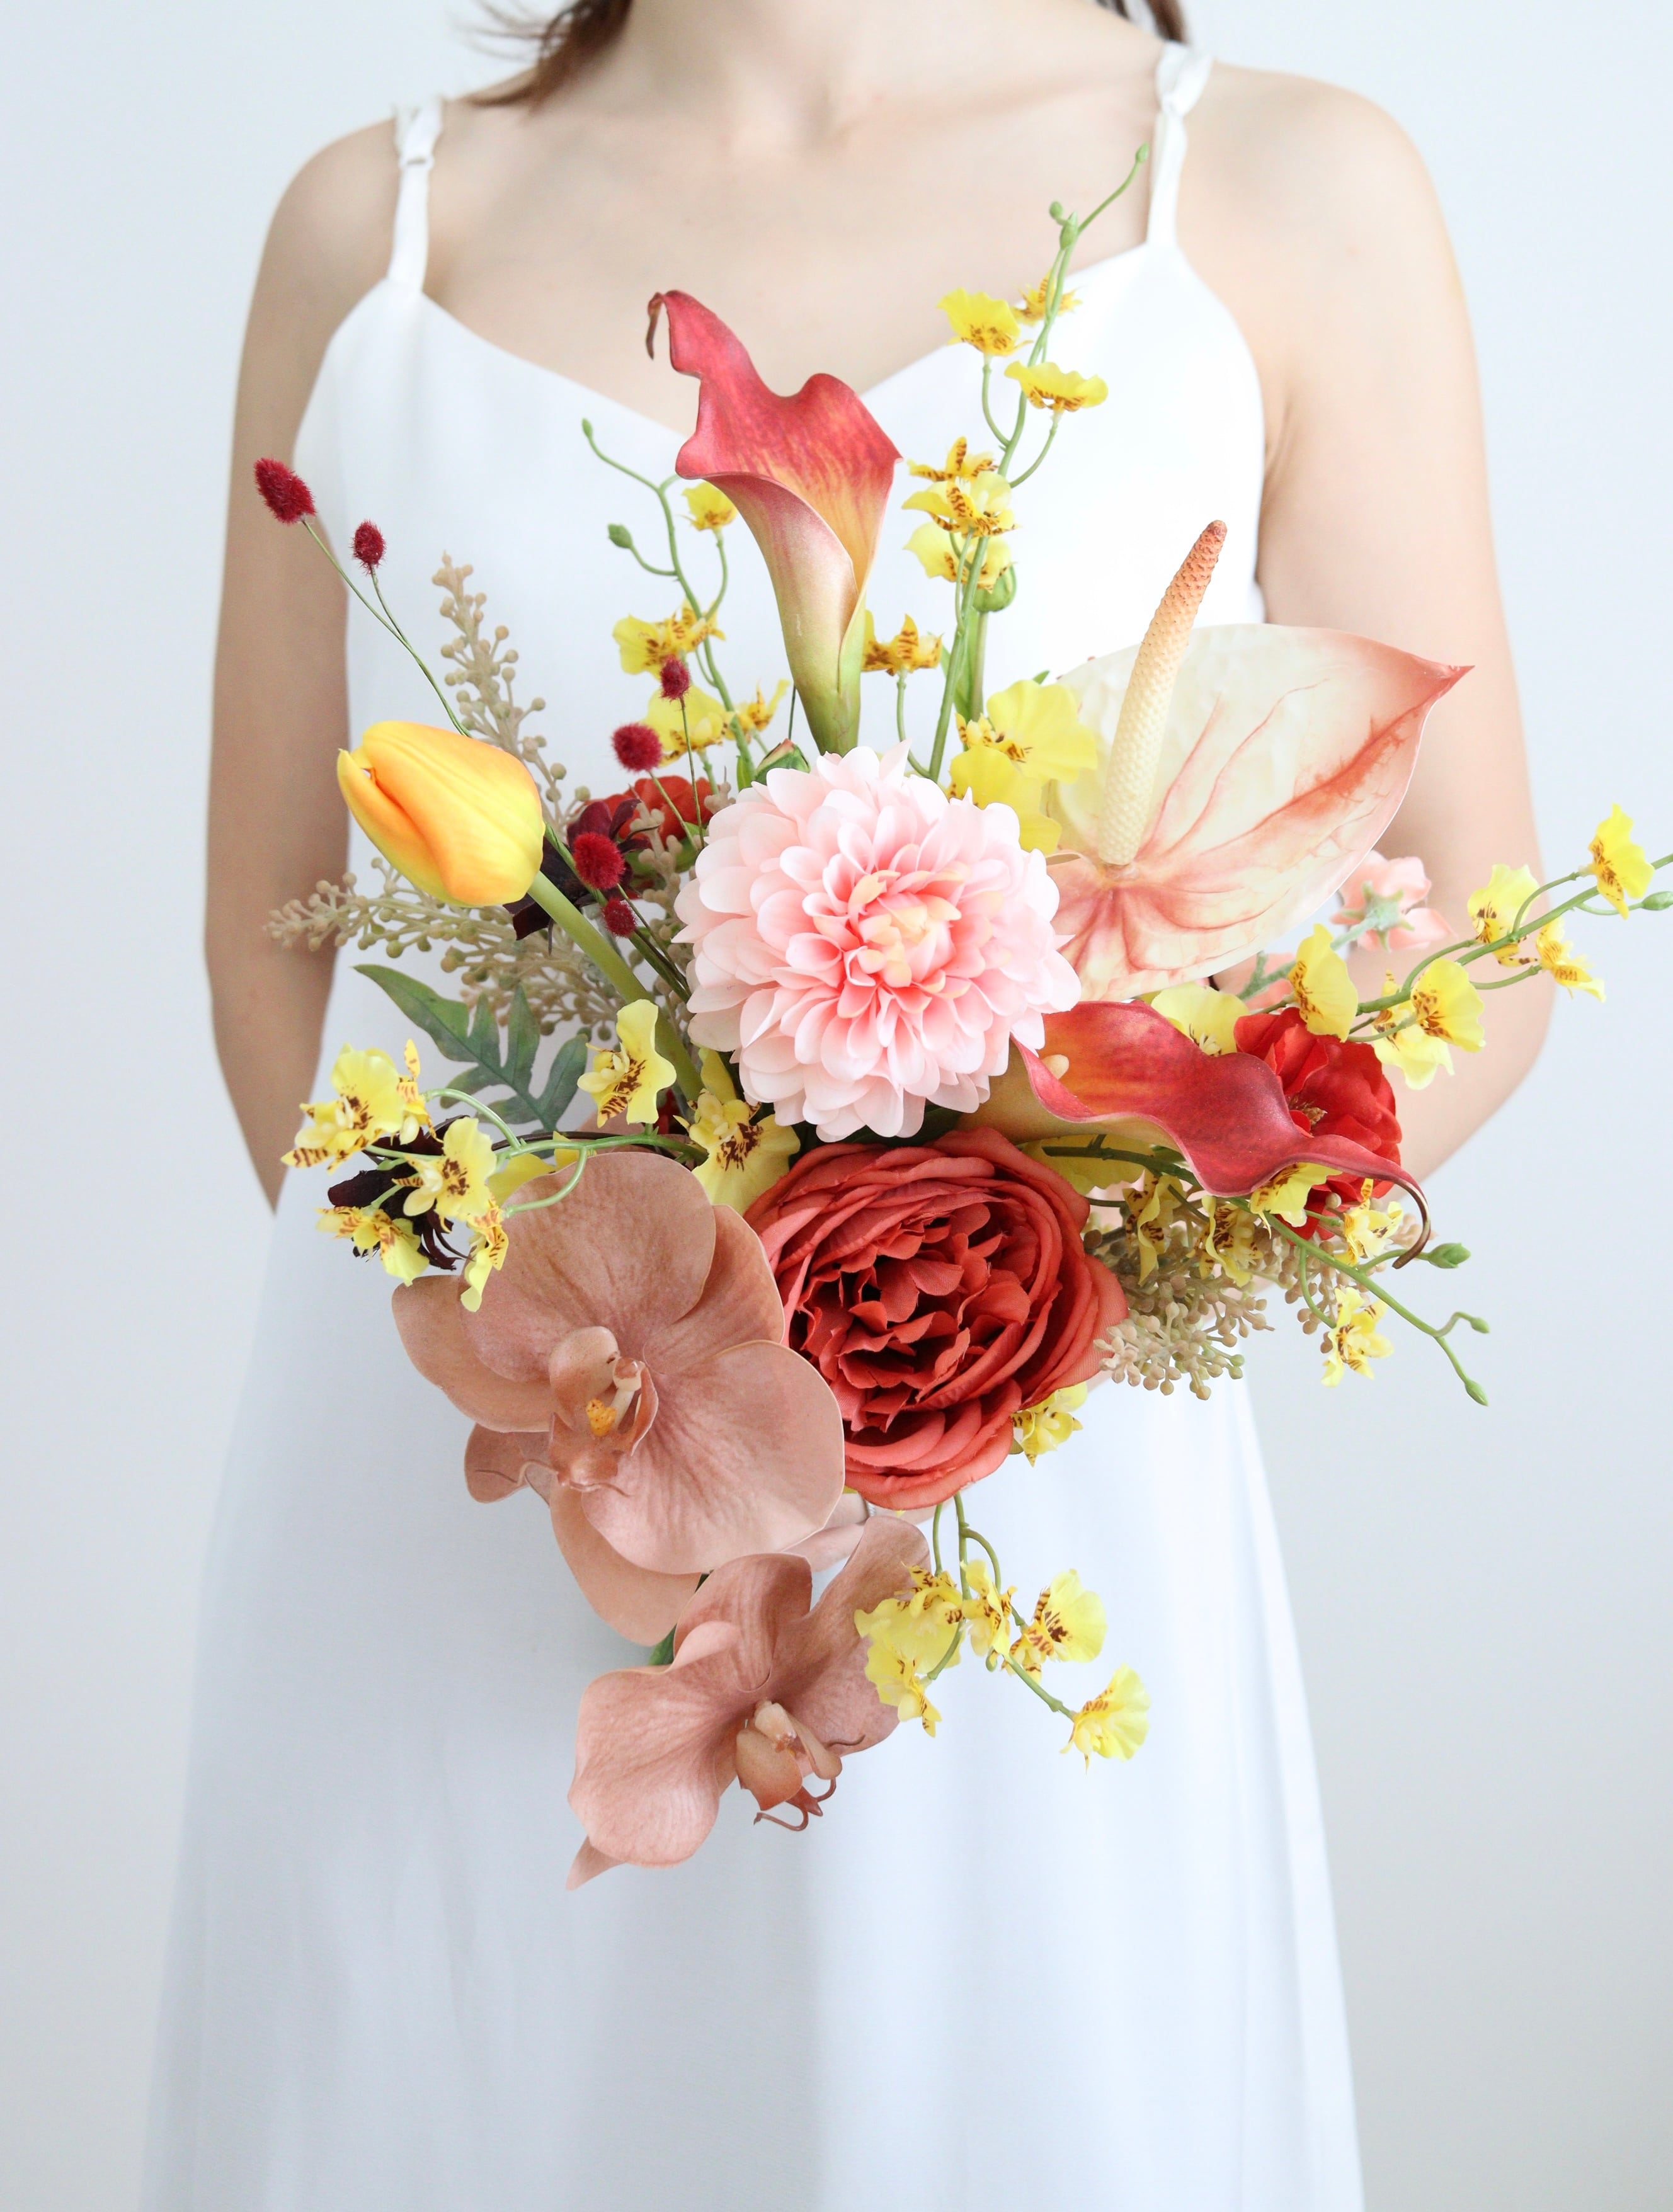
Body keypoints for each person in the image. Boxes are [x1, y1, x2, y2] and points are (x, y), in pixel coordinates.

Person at [161, 3, 1548, 2206]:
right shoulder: (373, 230)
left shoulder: (1279, 192)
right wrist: (548, 1383)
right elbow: (278, 939)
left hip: (1010, 1546)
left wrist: (965, 1331)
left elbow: (1471, 936)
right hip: (472, 1522)